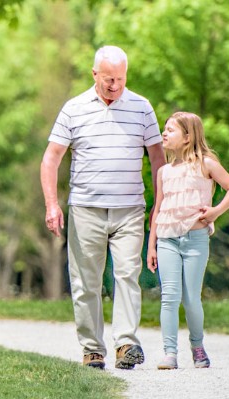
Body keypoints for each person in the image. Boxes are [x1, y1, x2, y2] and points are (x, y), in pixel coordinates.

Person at [41, 45, 165, 370]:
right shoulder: (73, 109)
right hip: (86, 208)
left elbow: (157, 159)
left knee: (127, 275)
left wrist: (159, 205)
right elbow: (51, 158)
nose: (114, 86)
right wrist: (52, 204)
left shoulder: (141, 107)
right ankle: (92, 349)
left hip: (129, 209)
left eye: (120, 79)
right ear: (94, 74)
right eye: (108, 79)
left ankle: (126, 344)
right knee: (86, 282)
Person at [145, 112, 229, 369]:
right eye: (164, 129)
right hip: (166, 239)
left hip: (196, 238)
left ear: (188, 137)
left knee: (191, 298)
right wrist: (151, 245)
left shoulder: (206, 164)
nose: (164, 134)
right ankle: (169, 353)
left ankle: (197, 347)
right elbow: (158, 208)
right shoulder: (163, 172)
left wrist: (214, 212)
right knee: (169, 296)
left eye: (171, 130)